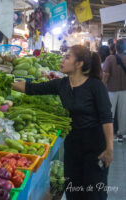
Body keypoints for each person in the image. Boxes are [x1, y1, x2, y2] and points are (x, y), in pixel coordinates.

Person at [12, 45, 113, 200]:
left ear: (79, 64)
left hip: (95, 147)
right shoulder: (62, 84)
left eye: (67, 57)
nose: (62, 60)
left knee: (94, 193)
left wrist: (109, 148)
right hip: (73, 145)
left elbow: (106, 118)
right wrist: (5, 82)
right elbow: (31, 88)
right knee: (73, 190)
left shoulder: (95, 86)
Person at [103, 39, 126, 140]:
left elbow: (106, 74)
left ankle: (109, 133)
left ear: (115, 47)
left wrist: (102, 86)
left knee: (110, 112)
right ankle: (121, 133)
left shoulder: (110, 58)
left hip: (111, 89)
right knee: (123, 112)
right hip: (124, 89)